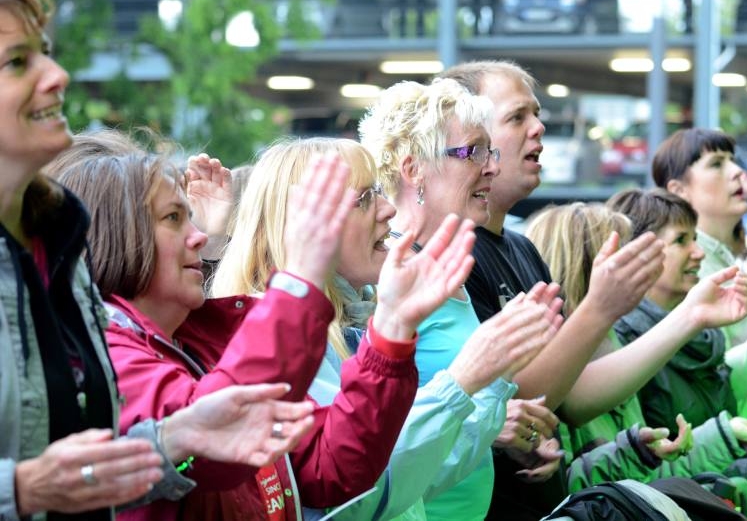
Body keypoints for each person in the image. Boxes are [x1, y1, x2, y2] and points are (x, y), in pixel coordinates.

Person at [0, 0, 317, 519]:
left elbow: (89, 467)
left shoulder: (54, 243)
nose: (57, 74)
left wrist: (173, 437)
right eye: (17, 61)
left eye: (46, 52)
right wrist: (21, 490)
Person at [46, 129, 435, 521]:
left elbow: (330, 466)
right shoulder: (107, 356)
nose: (199, 236)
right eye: (173, 218)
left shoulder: (199, 341)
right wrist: (300, 281)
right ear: (117, 234)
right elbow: (217, 440)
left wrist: (390, 333)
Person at [213, 136, 561, 520]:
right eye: (363, 198)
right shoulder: (280, 342)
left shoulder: (352, 319)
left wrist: (492, 374)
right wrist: (465, 378)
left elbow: (418, 477)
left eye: (378, 191)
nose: (388, 209)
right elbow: (363, 491)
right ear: (303, 226)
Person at [438, 59, 664, 518]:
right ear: (468, 140)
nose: (539, 128)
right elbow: (511, 399)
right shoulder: (448, 252)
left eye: (536, 114)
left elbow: (569, 397)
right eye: (517, 117)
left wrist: (689, 316)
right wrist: (599, 308)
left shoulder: (522, 249)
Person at [359, 78, 563, 521]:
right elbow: (376, 445)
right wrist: (487, 420)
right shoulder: (381, 279)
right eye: (473, 152)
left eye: (490, 152)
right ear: (414, 170)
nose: (491, 167)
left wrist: (500, 428)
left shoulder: (446, 267)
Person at [527, 200, 747, 492]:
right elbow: (574, 489)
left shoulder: (616, 343)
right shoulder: (612, 347)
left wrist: (729, 439)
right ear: (588, 267)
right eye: (627, 259)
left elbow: (648, 472)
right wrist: (733, 459)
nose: (699, 253)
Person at [653, 128, 747, 425]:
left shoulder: (728, 266)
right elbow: (717, 381)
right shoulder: (683, 278)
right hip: (737, 464)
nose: (737, 171)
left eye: (733, 160)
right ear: (679, 190)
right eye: (716, 164)